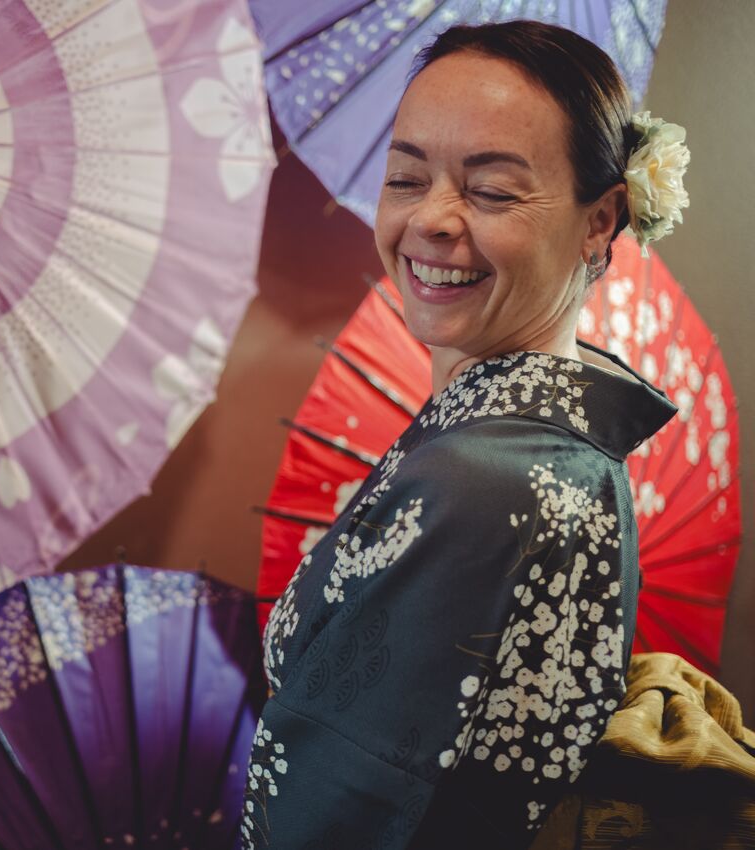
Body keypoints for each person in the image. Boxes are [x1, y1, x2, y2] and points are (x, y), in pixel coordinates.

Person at [244, 20, 689, 850]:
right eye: (406, 176)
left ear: (601, 221)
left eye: (491, 191)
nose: (433, 220)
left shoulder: (486, 483)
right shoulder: (543, 448)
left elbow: (338, 804)